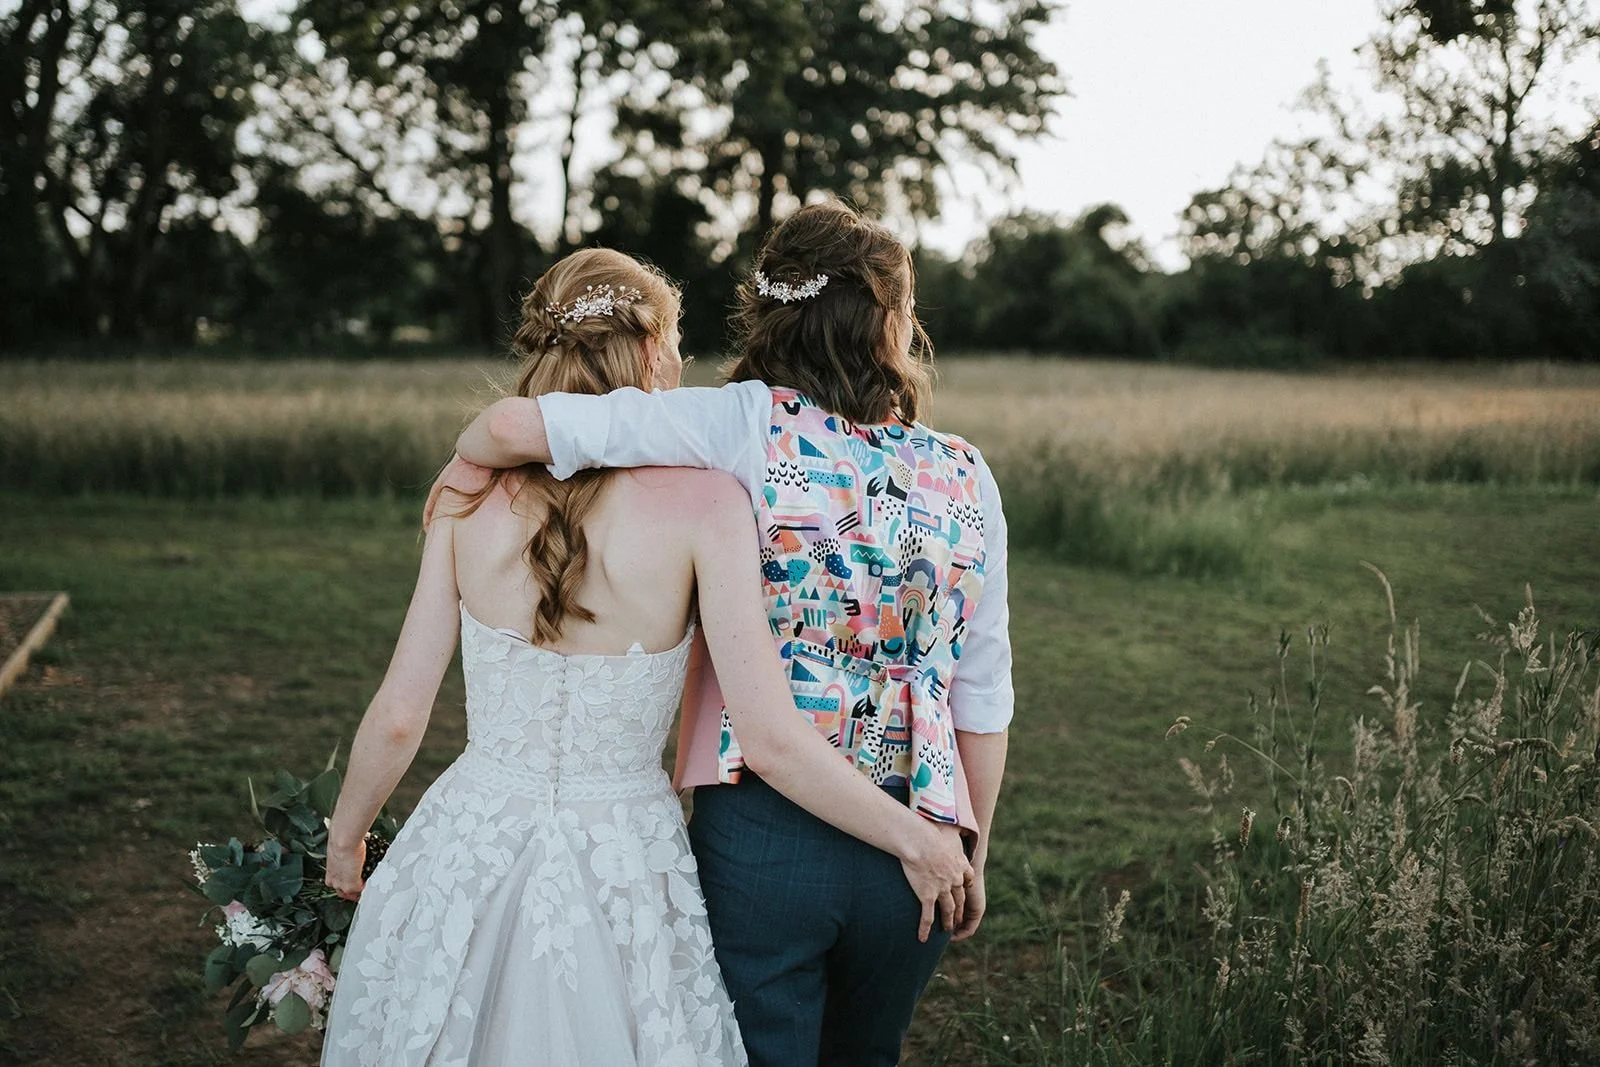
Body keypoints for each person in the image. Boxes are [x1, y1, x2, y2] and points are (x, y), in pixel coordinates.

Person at [319, 247, 972, 1067]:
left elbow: (401, 712)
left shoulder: (466, 498)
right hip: (625, 857)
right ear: (655, 351)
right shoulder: (706, 506)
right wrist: (915, 837)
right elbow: (767, 730)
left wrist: (348, 841)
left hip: (471, 834)